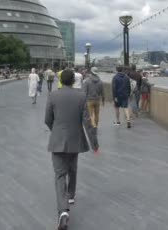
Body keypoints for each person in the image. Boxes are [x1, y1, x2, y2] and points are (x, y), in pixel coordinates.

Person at [45, 69, 99, 230]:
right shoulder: (81, 96)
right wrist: (94, 144)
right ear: (74, 81)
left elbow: (47, 119)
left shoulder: (53, 95)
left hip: (57, 139)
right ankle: (71, 195)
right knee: (72, 168)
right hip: (75, 138)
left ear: (61, 80)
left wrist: (55, 131)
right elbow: (87, 122)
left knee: (60, 174)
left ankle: (63, 211)